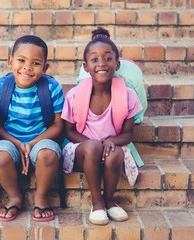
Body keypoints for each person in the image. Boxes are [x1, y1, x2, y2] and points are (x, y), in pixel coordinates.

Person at [61, 27, 143, 225]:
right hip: (83, 149)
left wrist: (112, 141)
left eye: (108, 58)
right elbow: (69, 131)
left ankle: (109, 200)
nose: (101, 64)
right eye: (94, 59)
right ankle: (96, 202)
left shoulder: (128, 96)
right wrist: (94, 143)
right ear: (86, 66)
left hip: (111, 148)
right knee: (94, 146)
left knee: (116, 152)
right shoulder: (75, 95)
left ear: (117, 64)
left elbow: (128, 134)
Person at [0, 35, 64, 222]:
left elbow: (58, 125)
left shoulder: (52, 87)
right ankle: (15, 197)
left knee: (48, 153)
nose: (27, 67)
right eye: (21, 60)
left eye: (36, 63)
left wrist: (31, 143)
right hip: (8, 140)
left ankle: (41, 197)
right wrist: (17, 143)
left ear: (45, 68)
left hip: (40, 140)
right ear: (10, 61)